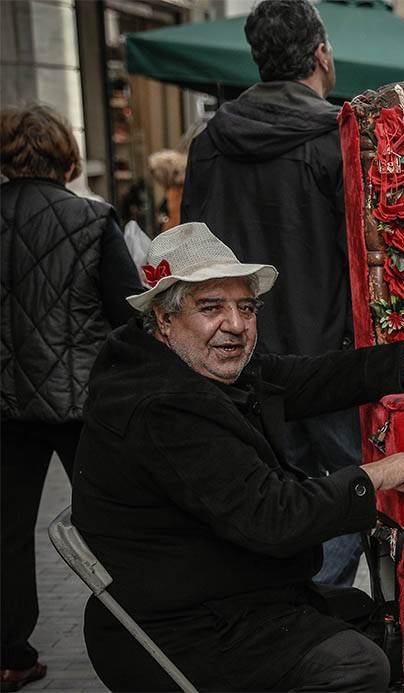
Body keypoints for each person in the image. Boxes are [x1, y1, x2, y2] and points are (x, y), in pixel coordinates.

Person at [72, 222, 404, 691]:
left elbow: (310, 378)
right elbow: (274, 517)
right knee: (358, 665)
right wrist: (374, 475)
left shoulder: (184, 364)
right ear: (163, 318)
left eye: (246, 307)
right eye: (211, 308)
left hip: (229, 591)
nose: (237, 325)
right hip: (177, 627)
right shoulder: (163, 404)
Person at [180, 0, 363, 584]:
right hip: (325, 353)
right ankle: (316, 610)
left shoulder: (210, 142)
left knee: (267, 497)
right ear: (321, 55)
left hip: (237, 352)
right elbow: (365, 255)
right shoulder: (337, 139)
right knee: (353, 489)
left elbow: (187, 252)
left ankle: (294, 615)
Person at [0, 104, 142, 691]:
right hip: (80, 404)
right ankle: (139, 634)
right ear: (66, 154)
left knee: (5, 531)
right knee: (113, 522)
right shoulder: (89, 220)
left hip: (3, 405)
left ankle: (9, 652)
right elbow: (128, 312)